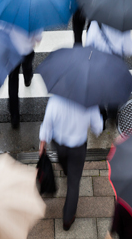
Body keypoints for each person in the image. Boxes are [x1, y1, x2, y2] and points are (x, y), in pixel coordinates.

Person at [39, 95, 104, 231]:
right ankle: (68, 218)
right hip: (78, 147)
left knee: (63, 162)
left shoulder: (55, 100)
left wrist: (43, 141)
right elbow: (97, 127)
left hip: (59, 144)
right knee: (73, 184)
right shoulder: (89, 100)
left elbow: (47, 123)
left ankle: (67, 170)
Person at [0, 21, 41, 129]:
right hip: (27, 50)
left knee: (13, 80)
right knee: (27, 66)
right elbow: (38, 37)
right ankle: (27, 78)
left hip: (12, 52)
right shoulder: (33, 13)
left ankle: (14, 116)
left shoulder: (7, 14)